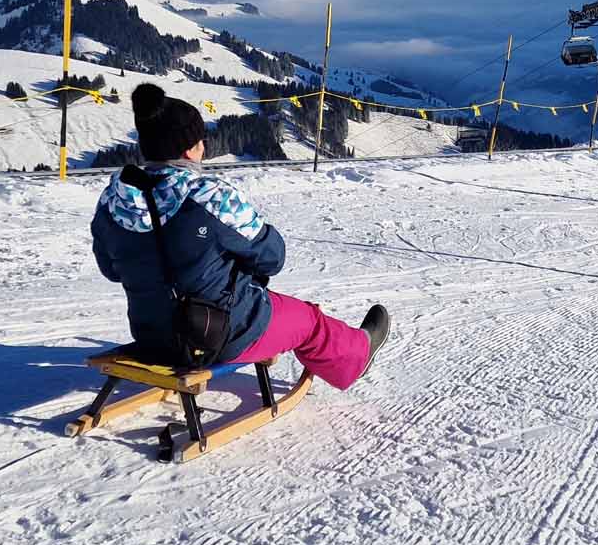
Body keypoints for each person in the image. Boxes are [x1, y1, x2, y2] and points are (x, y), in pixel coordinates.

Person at [91, 84, 390, 387]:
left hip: (149, 334)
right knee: (309, 321)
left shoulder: (113, 201)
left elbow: (112, 270)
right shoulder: (210, 196)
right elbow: (273, 256)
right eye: (200, 141)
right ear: (189, 149)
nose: (204, 148)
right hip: (216, 335)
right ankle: (357, 354)